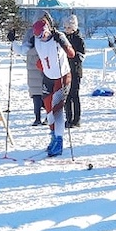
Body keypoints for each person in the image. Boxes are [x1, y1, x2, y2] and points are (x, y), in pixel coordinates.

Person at [33, 15, 76, 157]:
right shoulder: (38, 41)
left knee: (57, 110)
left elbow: (71, 54)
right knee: (48, 110)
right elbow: (24, 51)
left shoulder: (58, 36)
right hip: (48, 78)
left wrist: (62, 42)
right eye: (39, 36)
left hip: (62, 77)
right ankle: (53, 136)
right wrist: (13, 42)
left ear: (48, 29)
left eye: (43, 34)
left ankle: (59, 141)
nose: (42, 38)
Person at [62, 14, 86, 128]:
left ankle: (76, 119)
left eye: (69, 28)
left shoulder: (78, 39)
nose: (67, 30)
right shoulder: (63, 38)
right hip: (65, 70)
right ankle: (68, 118)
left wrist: (72, 55)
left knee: (74, 95)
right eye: (65, 28)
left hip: (75, 70)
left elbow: (82, 55)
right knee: (66, 96)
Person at [24, 16, 48, 125]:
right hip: (43, 73)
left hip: (34, 74)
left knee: (36, 97)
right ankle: (47, 116)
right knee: (46, 97)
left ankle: (37, 118)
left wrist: (13, 42)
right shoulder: (45, 44)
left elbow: (21, 49)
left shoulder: (29, 48)